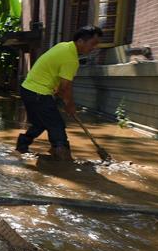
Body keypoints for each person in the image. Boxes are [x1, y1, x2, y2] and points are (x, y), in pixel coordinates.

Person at [16, 25, 102, 161]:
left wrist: (60, 95)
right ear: (80, 41)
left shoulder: (64, 46)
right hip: (39, 92)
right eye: (93, 44)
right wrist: (70, 105)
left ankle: (22, 146)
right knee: (57, 125)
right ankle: (63, 158)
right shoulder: (71, 59)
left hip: (28, 89)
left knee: (41, 123)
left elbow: (58, 81)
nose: (94, 48)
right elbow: (65, 87)